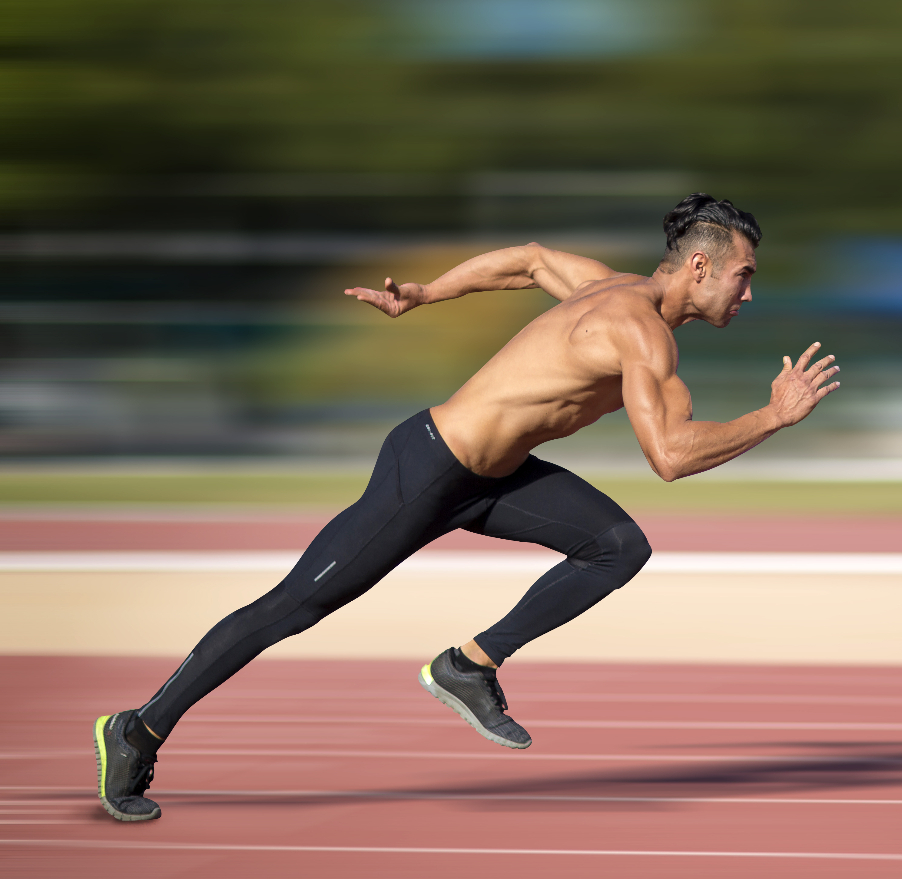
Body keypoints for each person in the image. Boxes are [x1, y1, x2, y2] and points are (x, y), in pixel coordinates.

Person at [93, 193, 840, 822]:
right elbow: (670, 456)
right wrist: (772, 417)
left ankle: (468, 664)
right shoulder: (636, 329)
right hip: (428, 468)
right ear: (700, 266)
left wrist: (425, 294)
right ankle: (140, 726)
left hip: (495, 476)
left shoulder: (608, 288)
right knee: (292, 605)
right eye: (743, 277)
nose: (748, 294)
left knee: (618, 544)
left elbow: (527, 258)